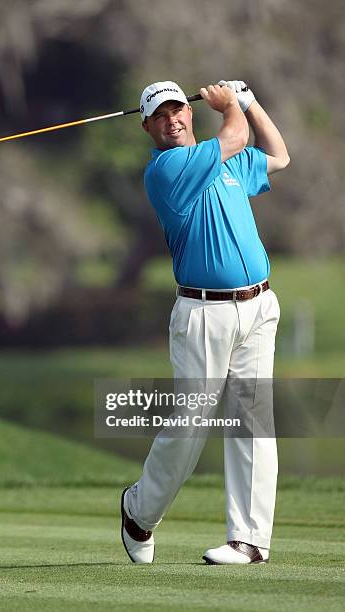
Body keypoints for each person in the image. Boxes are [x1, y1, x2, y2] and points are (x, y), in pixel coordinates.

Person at [120, 80, 290, 565]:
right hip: (202, 314)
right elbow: (232, 138)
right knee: (190, 426)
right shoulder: (167, 170)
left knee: (254, 421)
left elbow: (277, 155)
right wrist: (232, 106)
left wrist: (253, 102)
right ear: (147, 126)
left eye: (178, 110)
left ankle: (249, 541)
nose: (173, 119)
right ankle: (139, 512)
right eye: (161, 115)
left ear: (188, 114)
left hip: (259, 307)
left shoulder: (229, 161)